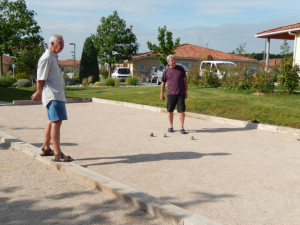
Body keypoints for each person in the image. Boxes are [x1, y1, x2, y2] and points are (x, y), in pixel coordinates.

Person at [31, 34, 73, 162]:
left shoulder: (52, 57)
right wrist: (39, 92)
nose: (62, 46)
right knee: (56, 122)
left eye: (63, 43)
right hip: (53, 95)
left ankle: (45, 148)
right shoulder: (47, 57)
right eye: (60, 43)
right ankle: (57, 154)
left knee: (51, 120)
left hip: (56, 94)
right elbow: (40, 78)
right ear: (52, 43)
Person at [160, 55, 188, 134]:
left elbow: (185, 81)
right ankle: (170, 126)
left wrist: (186, 92)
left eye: (174, 60)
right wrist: (161, 94)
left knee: (181, 111)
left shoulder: (181, 69)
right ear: (168, 62)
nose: (174, 61)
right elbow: (163, 83)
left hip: (181, 93)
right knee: (170, 110)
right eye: (172, 60)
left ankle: (181, 127)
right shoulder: (166, 71)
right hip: (171, 93)